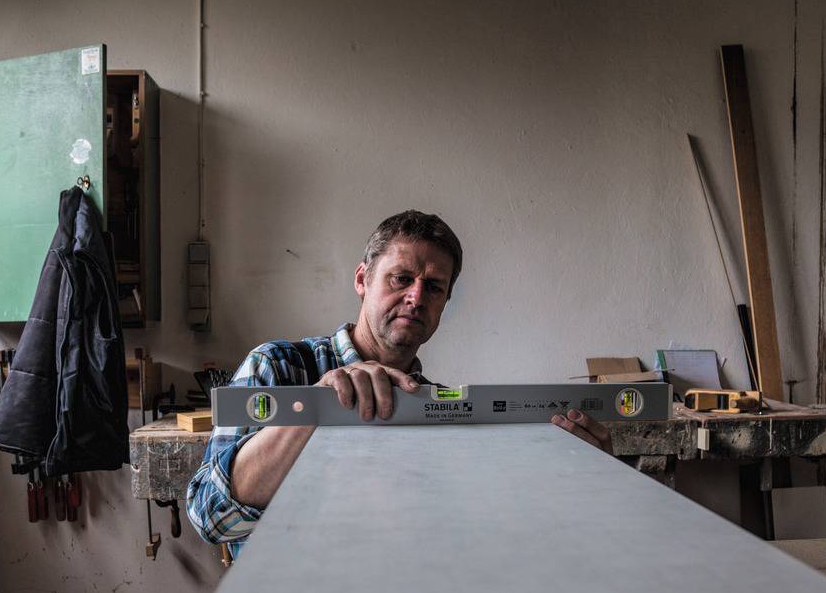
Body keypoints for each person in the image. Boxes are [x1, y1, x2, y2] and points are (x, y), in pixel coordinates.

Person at [186, 210, 611, 557]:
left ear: (445, 302)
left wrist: (587, 477)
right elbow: (210, 516)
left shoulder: (435, 406)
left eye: (435, 287)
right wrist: (317, 407)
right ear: (361, 280)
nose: (416, 297)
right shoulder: (278, 367)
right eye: (401, 278)